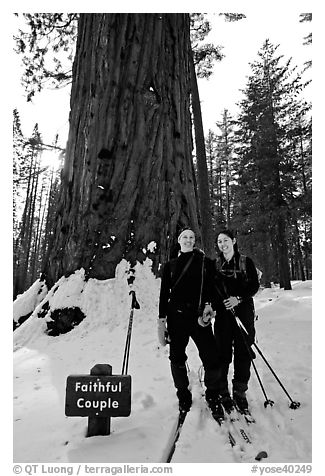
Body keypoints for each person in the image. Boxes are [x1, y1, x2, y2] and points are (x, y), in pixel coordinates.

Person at [158, 228, 222, 415]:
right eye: (184, 237)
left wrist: (210, 306)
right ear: (179, 240)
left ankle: (213, 394)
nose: (188, 240)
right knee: (177, 357)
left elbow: (212, 288)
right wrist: (161, 321)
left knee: (211, 356)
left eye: (191, 237)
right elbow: (164, 296)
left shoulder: (205, 263)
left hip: (199, 318)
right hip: (176, 318)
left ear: (195, 241)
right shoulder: (169, 266)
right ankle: (183, 395)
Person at [213, 229, 259, 413]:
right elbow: (212, 289)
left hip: (244, 314)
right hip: (224, 317)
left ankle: (240, 391)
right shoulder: (215, 264)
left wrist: (238, 298)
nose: (222, 244)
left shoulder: (245, 261)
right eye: (219, 241)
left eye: (225, 240)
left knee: (243, 353)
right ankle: (223, 391)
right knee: (222, 354)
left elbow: (254, 286)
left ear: (233, 241)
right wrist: (217, 304)